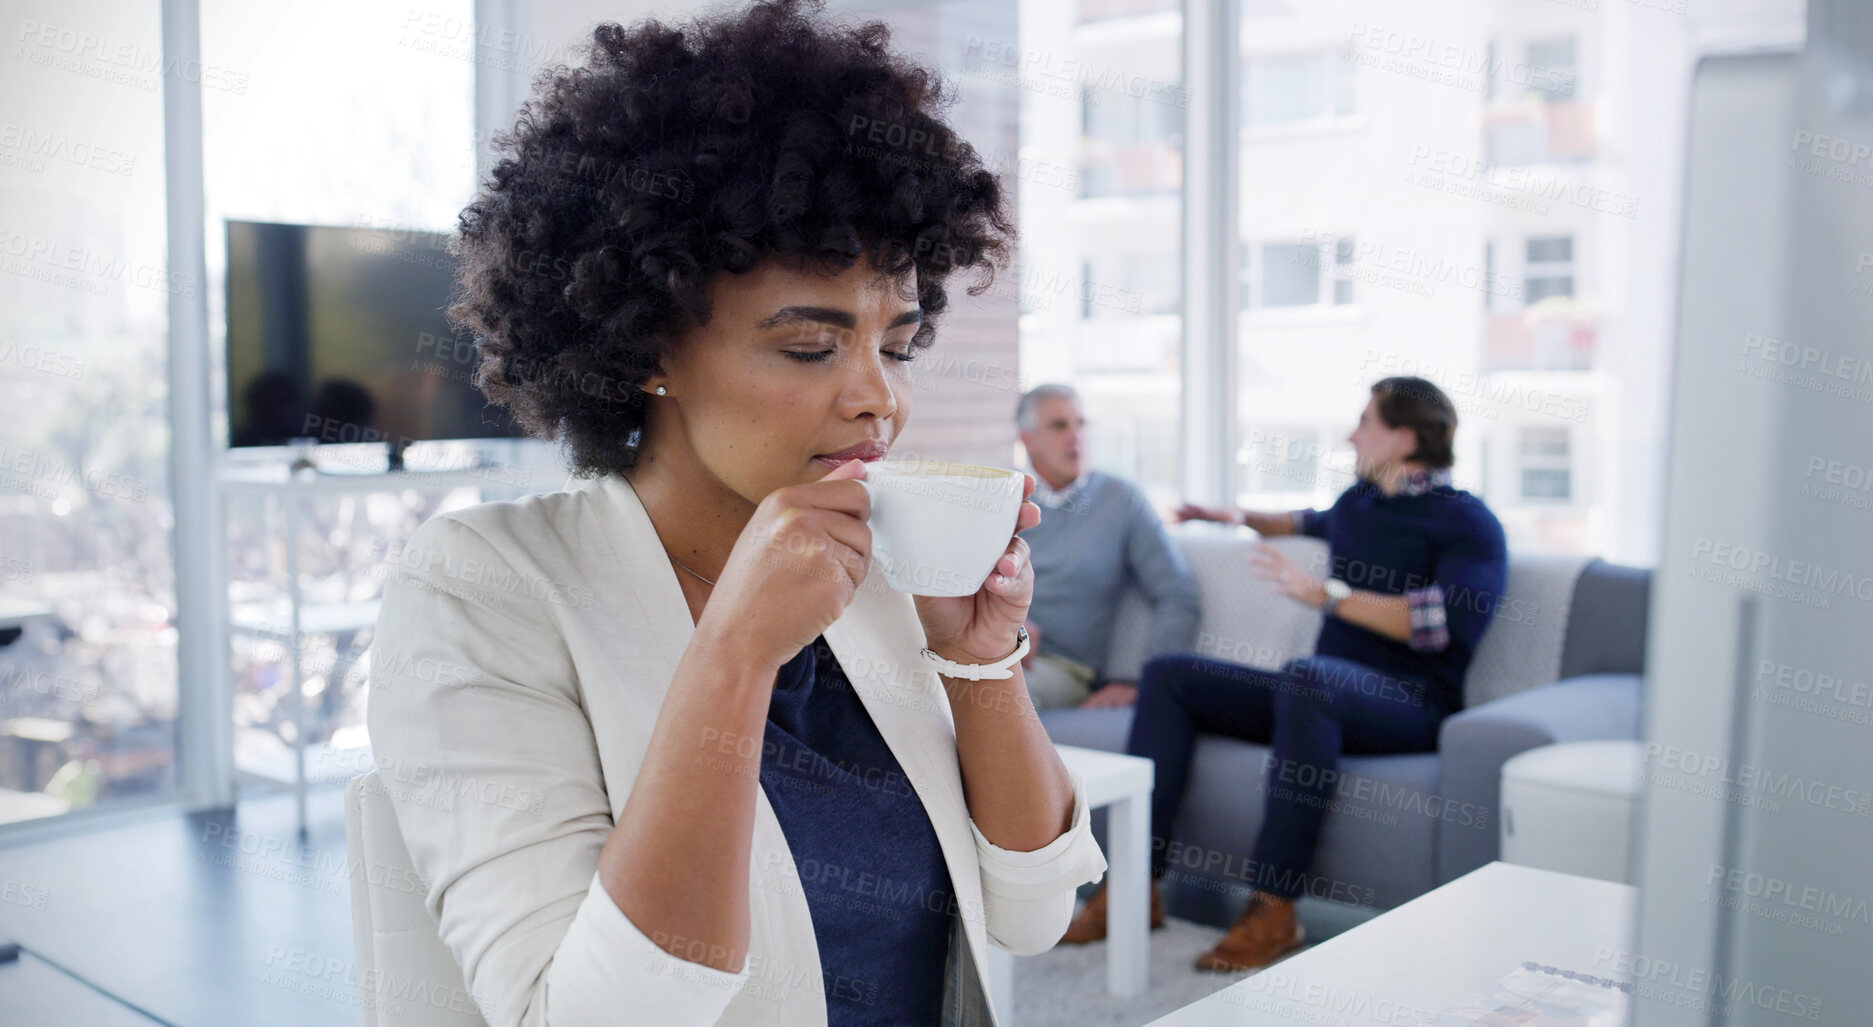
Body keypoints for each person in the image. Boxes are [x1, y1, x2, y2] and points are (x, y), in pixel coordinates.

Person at [364, 4, 1107, 1024]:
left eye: (896, 345)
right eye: (811, 346)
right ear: (646, 348)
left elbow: (1036, 912)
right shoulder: (483, 587)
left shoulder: (868, 560)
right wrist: (737, 653)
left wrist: (981, 662)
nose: (878, 400)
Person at [1059, 376, 1507, 973]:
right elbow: (1300, 520)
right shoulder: (1360, 504)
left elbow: (1444, 623)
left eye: (1365, 422)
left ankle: (1274, 908)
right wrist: (1233, 515)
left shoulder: (1467, 521)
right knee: (1170, 676)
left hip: (1412, 703)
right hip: (1320, 692)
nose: (1352, 434)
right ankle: (1133, 890)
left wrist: (1327, 595)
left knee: (1307, 678)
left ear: (1403, 437)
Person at [1014, 384, 1200, 711]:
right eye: (1059, 426)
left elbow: (1179, 594)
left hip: (1060, 667)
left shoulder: (1120, 500)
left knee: (985, 699)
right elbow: (961, 575)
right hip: (987, 647)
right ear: (1027, 439)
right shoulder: (1005, 492)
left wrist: (1143, 681)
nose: (1075, 437)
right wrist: (1008, 627)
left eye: (1081, 424)